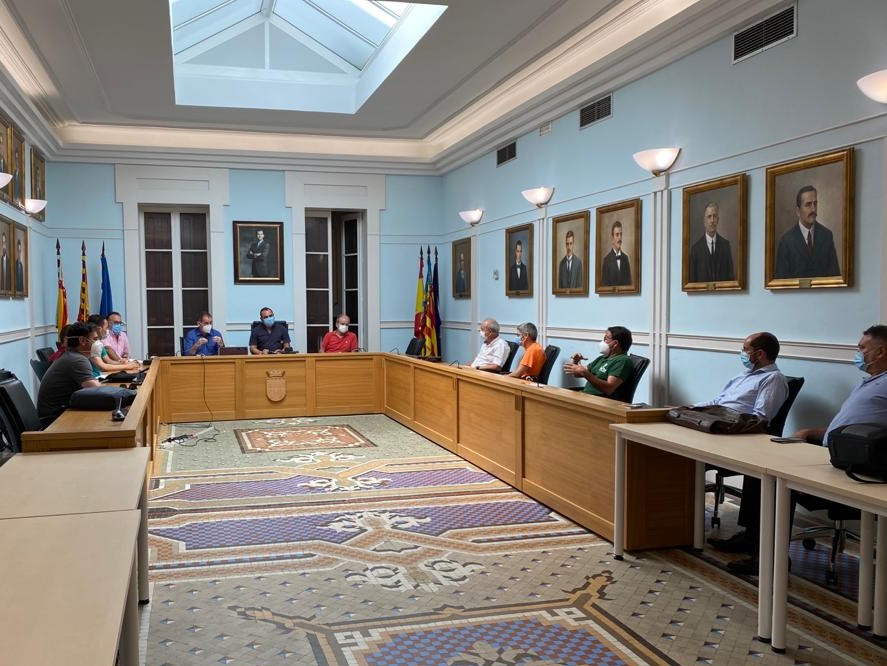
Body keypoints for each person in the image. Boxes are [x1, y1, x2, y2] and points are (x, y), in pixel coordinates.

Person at [704, 332, 790, 572]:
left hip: (741, 438)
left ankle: (755, 543)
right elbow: (718, 401)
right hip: (719, 425)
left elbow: (760, 418)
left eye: (745, 349)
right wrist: (692, 410)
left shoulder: (773, 379)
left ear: (759, 354)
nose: (742, 354)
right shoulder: (743, 376)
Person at [37, 321, 102, 425]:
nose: (98, 343)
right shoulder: (77, 360)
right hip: (55, 420)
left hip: (58, 414)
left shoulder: (71, 355)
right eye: (95, 339)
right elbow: (97, 392)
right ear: (82, 340)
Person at [774, 185, 840, 279]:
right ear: (798, 211)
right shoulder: (786, 241)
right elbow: (781, 281)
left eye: (815, 203)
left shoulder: (826, 236)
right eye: (808, 204)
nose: (813, 209)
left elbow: (835, 278)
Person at [563, 326, 633, 397]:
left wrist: (585, 373)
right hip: (585, 395)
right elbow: (577, 374)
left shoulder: (623, 361)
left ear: (615, 344)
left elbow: (609, 389)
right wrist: (576, 361)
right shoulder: (602, 358)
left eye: (606, 339)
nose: (603, 342)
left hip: (599, 400)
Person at [688, 203, 735, 283]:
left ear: (718, 220)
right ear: (704, 221)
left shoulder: (726, 246)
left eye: (714, 216)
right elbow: (692, 282)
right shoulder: (695, 249)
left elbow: (731, 279)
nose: (712, 220)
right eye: (709, 217)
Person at [600, 221, 632, 287]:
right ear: (612, 238)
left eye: (621, 234)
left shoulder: (625, 258)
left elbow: (629, 284)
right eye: (617, 235)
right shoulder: (606, 260)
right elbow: (604, 287)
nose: (620, 238)